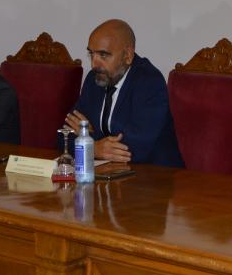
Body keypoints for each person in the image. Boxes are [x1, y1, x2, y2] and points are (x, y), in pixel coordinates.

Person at [65, 19, 183, 167]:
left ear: (127, 55)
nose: (94, 64)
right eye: (91, 54)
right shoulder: (95, 79)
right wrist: (94, 148)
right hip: (109, 176)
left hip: (153, 178)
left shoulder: (150, 82)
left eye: (103, 55)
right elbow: (64, 135)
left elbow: (135, 150)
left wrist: (89, 139)